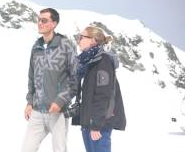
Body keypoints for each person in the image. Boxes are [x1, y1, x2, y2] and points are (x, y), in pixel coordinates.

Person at [22, 8, 79, 152]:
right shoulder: (37, 47)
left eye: (44, 20)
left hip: (57, 112)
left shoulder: (65, 45)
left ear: (54, 23)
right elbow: (31, 77)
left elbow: (75, 78)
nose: (40, 23)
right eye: (39, 20)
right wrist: (29, 102)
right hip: (37, 111)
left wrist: (60, 101)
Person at [74, 25, 126, 152]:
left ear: (93, 40)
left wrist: (96, 125)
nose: (78, 40)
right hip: (89, 121)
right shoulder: (88, 62)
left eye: (81, 37)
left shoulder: (103, 61)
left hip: (99, 123)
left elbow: (104, 95)